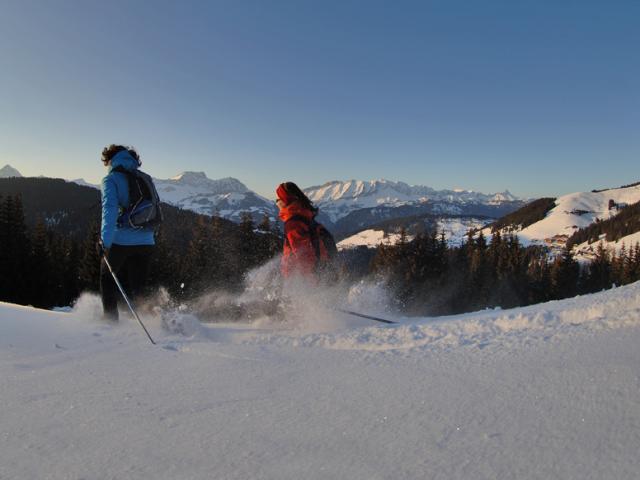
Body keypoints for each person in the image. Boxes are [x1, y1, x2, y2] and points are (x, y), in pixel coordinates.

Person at [99, 144, 155, 321]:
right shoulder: (144, 178)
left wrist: (104, 242)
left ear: (110, 160)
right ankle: (151, 321)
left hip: (121, 240)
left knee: (107, 278)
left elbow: (110, 210)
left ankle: (110, 321)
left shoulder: (111, 179)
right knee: (139, 288)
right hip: (147, 241)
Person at [275, 182, 337, 281]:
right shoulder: (305, 216)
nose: (276, 201)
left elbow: (303, 255)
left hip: (297, 279)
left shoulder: (293, 224)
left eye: (278, 199)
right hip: (317, 273)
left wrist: (308, 284)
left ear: (285, 200)